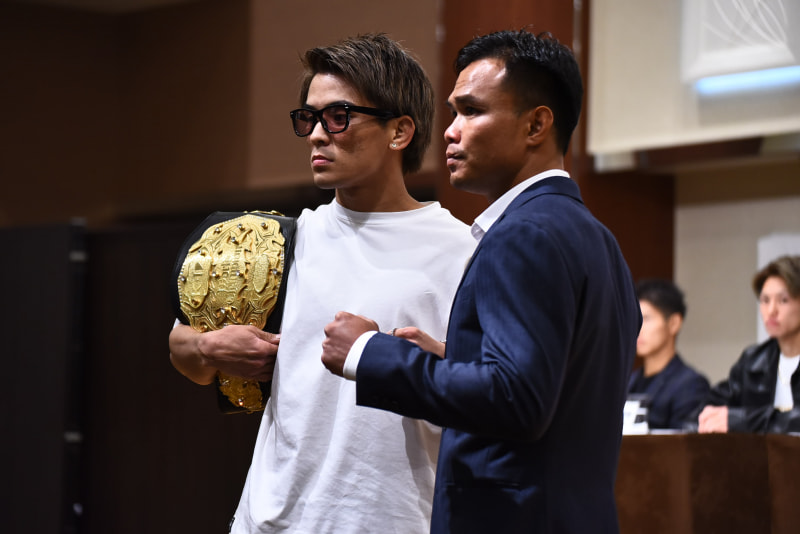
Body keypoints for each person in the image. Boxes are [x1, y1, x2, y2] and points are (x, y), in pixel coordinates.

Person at [321, 29, 641, 533]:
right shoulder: (597, 238)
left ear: (536, 124)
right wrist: (457, 361)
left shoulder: (524, 234)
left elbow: (518, 400)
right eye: (453, 113)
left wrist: (369, 352)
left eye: (471, 111)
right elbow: (555, 387)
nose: (450, 131)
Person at [168, 34, 476, 533]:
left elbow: (493, 390)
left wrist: (440, 360)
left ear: (400, 131)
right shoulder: (280, 241)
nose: (315, 134)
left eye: (338, 117)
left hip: (396, 520)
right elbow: (180, 346)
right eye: (308, 118)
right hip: (270, 520)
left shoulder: (463, 251)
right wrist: (209, 347)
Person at [696, 255, 800, 434]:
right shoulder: (754, 360)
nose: (771, 310)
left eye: (783, 300)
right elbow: (710, 407)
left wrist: (743, 421)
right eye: (765, 300)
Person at [627, 278, 710, 430]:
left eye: (646, 319)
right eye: (635, 318)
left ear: (673, 323)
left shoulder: (690, 385)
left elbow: (684, 442)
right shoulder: (629, 381)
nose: (638, 327)